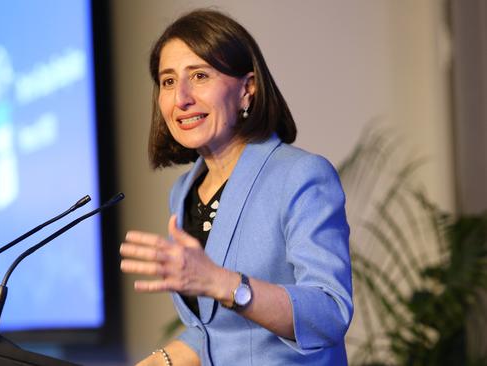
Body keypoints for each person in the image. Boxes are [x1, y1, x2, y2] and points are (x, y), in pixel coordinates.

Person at [120, 9, 353, 366]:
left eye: (199, 76)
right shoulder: (185, 192)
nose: (181, 97)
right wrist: (159, 362)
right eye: (168, 81)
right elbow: (214, 332)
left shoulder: (301, 175)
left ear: (247, 89)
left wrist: (227, 284)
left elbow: (329, 312)